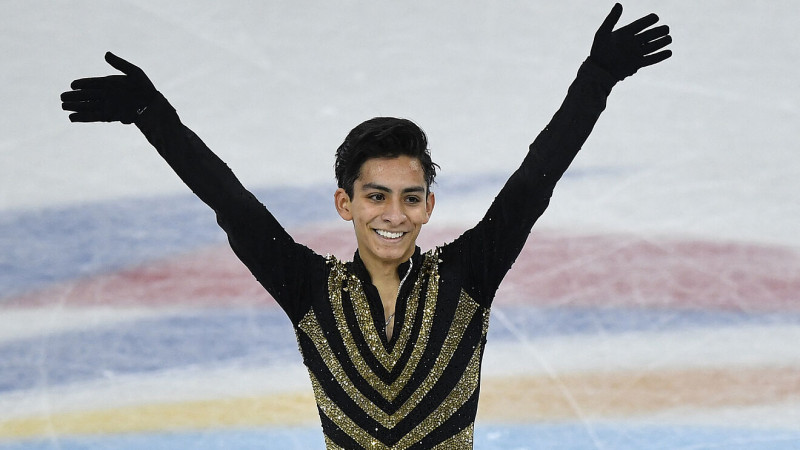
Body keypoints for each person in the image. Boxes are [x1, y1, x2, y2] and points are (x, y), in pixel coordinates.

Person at [60, 3, 671, 448]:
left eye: (410, 198)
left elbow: (536, 180)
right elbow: (232, 205)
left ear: (429, 206)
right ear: (345, 204)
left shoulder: (466, 276)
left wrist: (596, 81)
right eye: (376, 196)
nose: (393, 215)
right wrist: (152, 116)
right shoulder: (309, 290)